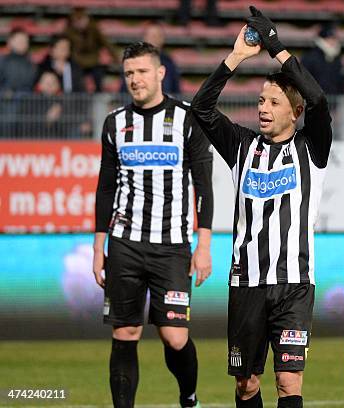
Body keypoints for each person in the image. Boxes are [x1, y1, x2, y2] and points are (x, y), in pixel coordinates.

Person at [190, 7, 332, 408]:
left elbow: (320, 100)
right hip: (246, 283)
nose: (263, 108)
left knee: (289, 382)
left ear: (295, 111)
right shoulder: (241, 145)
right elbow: (200, 108)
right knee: (247, 386)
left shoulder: (312, 149)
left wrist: (277, 48)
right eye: (260, 100)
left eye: (274, 101)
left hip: (294, 285)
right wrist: (236, 57)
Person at [93, 41, 213, 408]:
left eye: (142, 71)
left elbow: (204, 186)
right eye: (128, 73)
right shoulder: (115, 123)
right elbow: (106, 187)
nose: (135, 79)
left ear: (160, 73)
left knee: (175, 337)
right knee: (125, 331)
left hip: (172, 246)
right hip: (125, 243)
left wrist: (203, 245)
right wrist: (99, 247)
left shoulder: (186, 118)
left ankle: (188, 396)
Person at [64, 7, 119, 92]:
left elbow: (106, 44)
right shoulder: (69, 32)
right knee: (76, 80)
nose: (80, 23)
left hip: (93, 61)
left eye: (82, 19)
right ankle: (79, 99)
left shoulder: (94, 29)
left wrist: (116, 58)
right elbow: (64, 47)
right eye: (77, 20)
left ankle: (98, 96)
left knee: (99, 78)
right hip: (77, 61)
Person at [121, 22, 181, 95]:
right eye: (151, 36)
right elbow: (124, 92)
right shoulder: (132, 61)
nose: (154, 39)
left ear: (163, 39)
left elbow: (176, 92)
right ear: (144, 38)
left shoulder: (169, 63)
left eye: (157, 36)